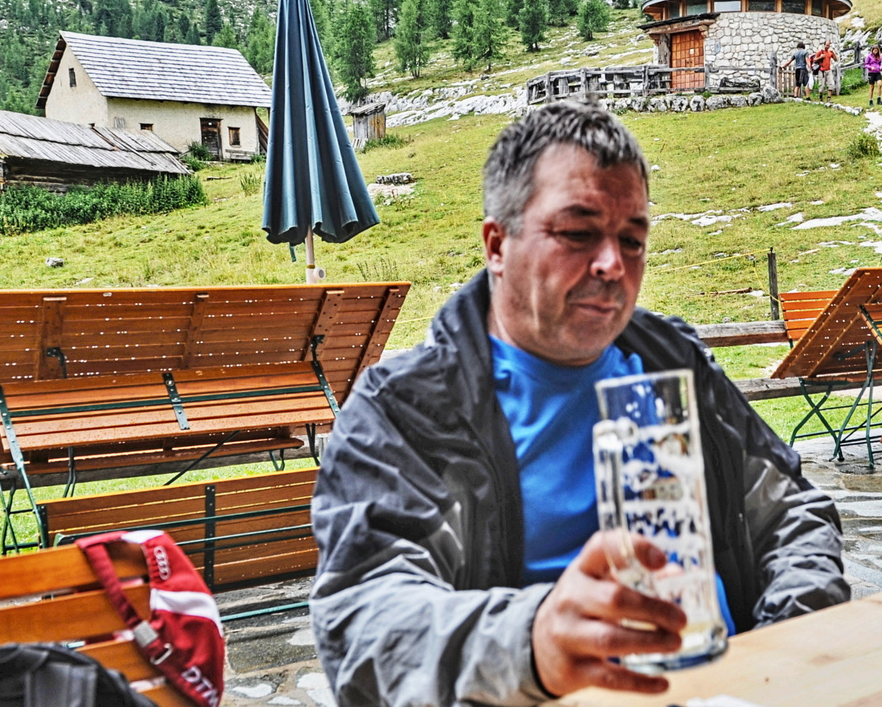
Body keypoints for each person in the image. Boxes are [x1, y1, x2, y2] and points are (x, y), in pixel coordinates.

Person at [310, 101, 848, 707]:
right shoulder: (406, 409)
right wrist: (531, 643)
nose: (612, 265)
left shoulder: (673, 362)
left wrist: (787, 647)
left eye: (633, 239)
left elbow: (791, 512)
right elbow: (362, 623)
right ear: (497, 244)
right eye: (577, 233)